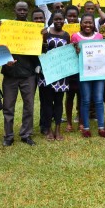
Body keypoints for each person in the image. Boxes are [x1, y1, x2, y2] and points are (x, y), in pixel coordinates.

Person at [0, 1, 38, 147]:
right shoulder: (6, 28)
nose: (22, 12)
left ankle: (26, 134)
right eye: (19, 9)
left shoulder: (33, 29)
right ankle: (8, 136)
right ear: (14, 10)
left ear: (27, 11)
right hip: (10, 74)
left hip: (28, 74)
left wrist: (42, 35)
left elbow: (39, 49)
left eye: (24, 10)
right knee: (8, 106)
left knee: (29, 105)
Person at [72, 13, 105, 138]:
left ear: (94, 24)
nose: (88, 25)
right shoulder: (75, 37)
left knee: (99, 100)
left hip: (99, 72)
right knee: (86, 100)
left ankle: (101, 128)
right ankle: (86, 128)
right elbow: (71, 56)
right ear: (81, 24)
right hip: (84, 73)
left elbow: (103, 53)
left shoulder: (99, 36)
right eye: (85, 22)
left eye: (90, 23)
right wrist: (76, 51)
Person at [39, 10, 70, 140]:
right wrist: (44, 38)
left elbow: (68, 53)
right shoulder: (45, 32)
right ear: (52, 20)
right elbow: (40, 50)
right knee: (47, 102)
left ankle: (58, 128)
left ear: (64, 20)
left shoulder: (66, 35)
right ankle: (49, 129)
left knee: (58, 102)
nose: (58, 21)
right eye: (56, 19)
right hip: (46, 72)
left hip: (61, 74)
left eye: (61, 19)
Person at [63, 5, 82, 131]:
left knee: (81, 95)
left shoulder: (84, 28)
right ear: (66, 16)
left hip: (82, 68)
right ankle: (69, 122)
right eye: (69, 16)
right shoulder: (61, 29)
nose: (72, 18)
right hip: (68, 68)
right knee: (69, 96)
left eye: (74, 16)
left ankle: (80, 120)